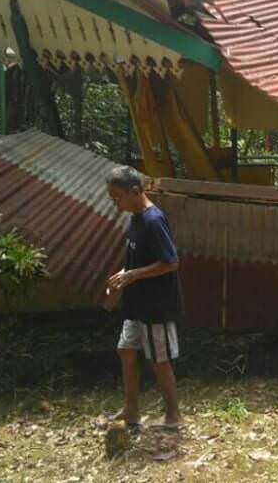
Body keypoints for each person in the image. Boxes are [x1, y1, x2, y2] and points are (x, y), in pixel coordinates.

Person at [105, 165, 183, 431]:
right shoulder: (135, 217)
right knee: (126, 350)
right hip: (136, 304)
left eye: (118, 197)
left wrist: (133, 275)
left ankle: (173, 415)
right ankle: (131, 411)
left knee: (159, 360)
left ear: (135, 192)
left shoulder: (153, 220)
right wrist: (124, 273)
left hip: (156, 304)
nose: (115, 203)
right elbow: (140, 260)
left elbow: (171, 262)